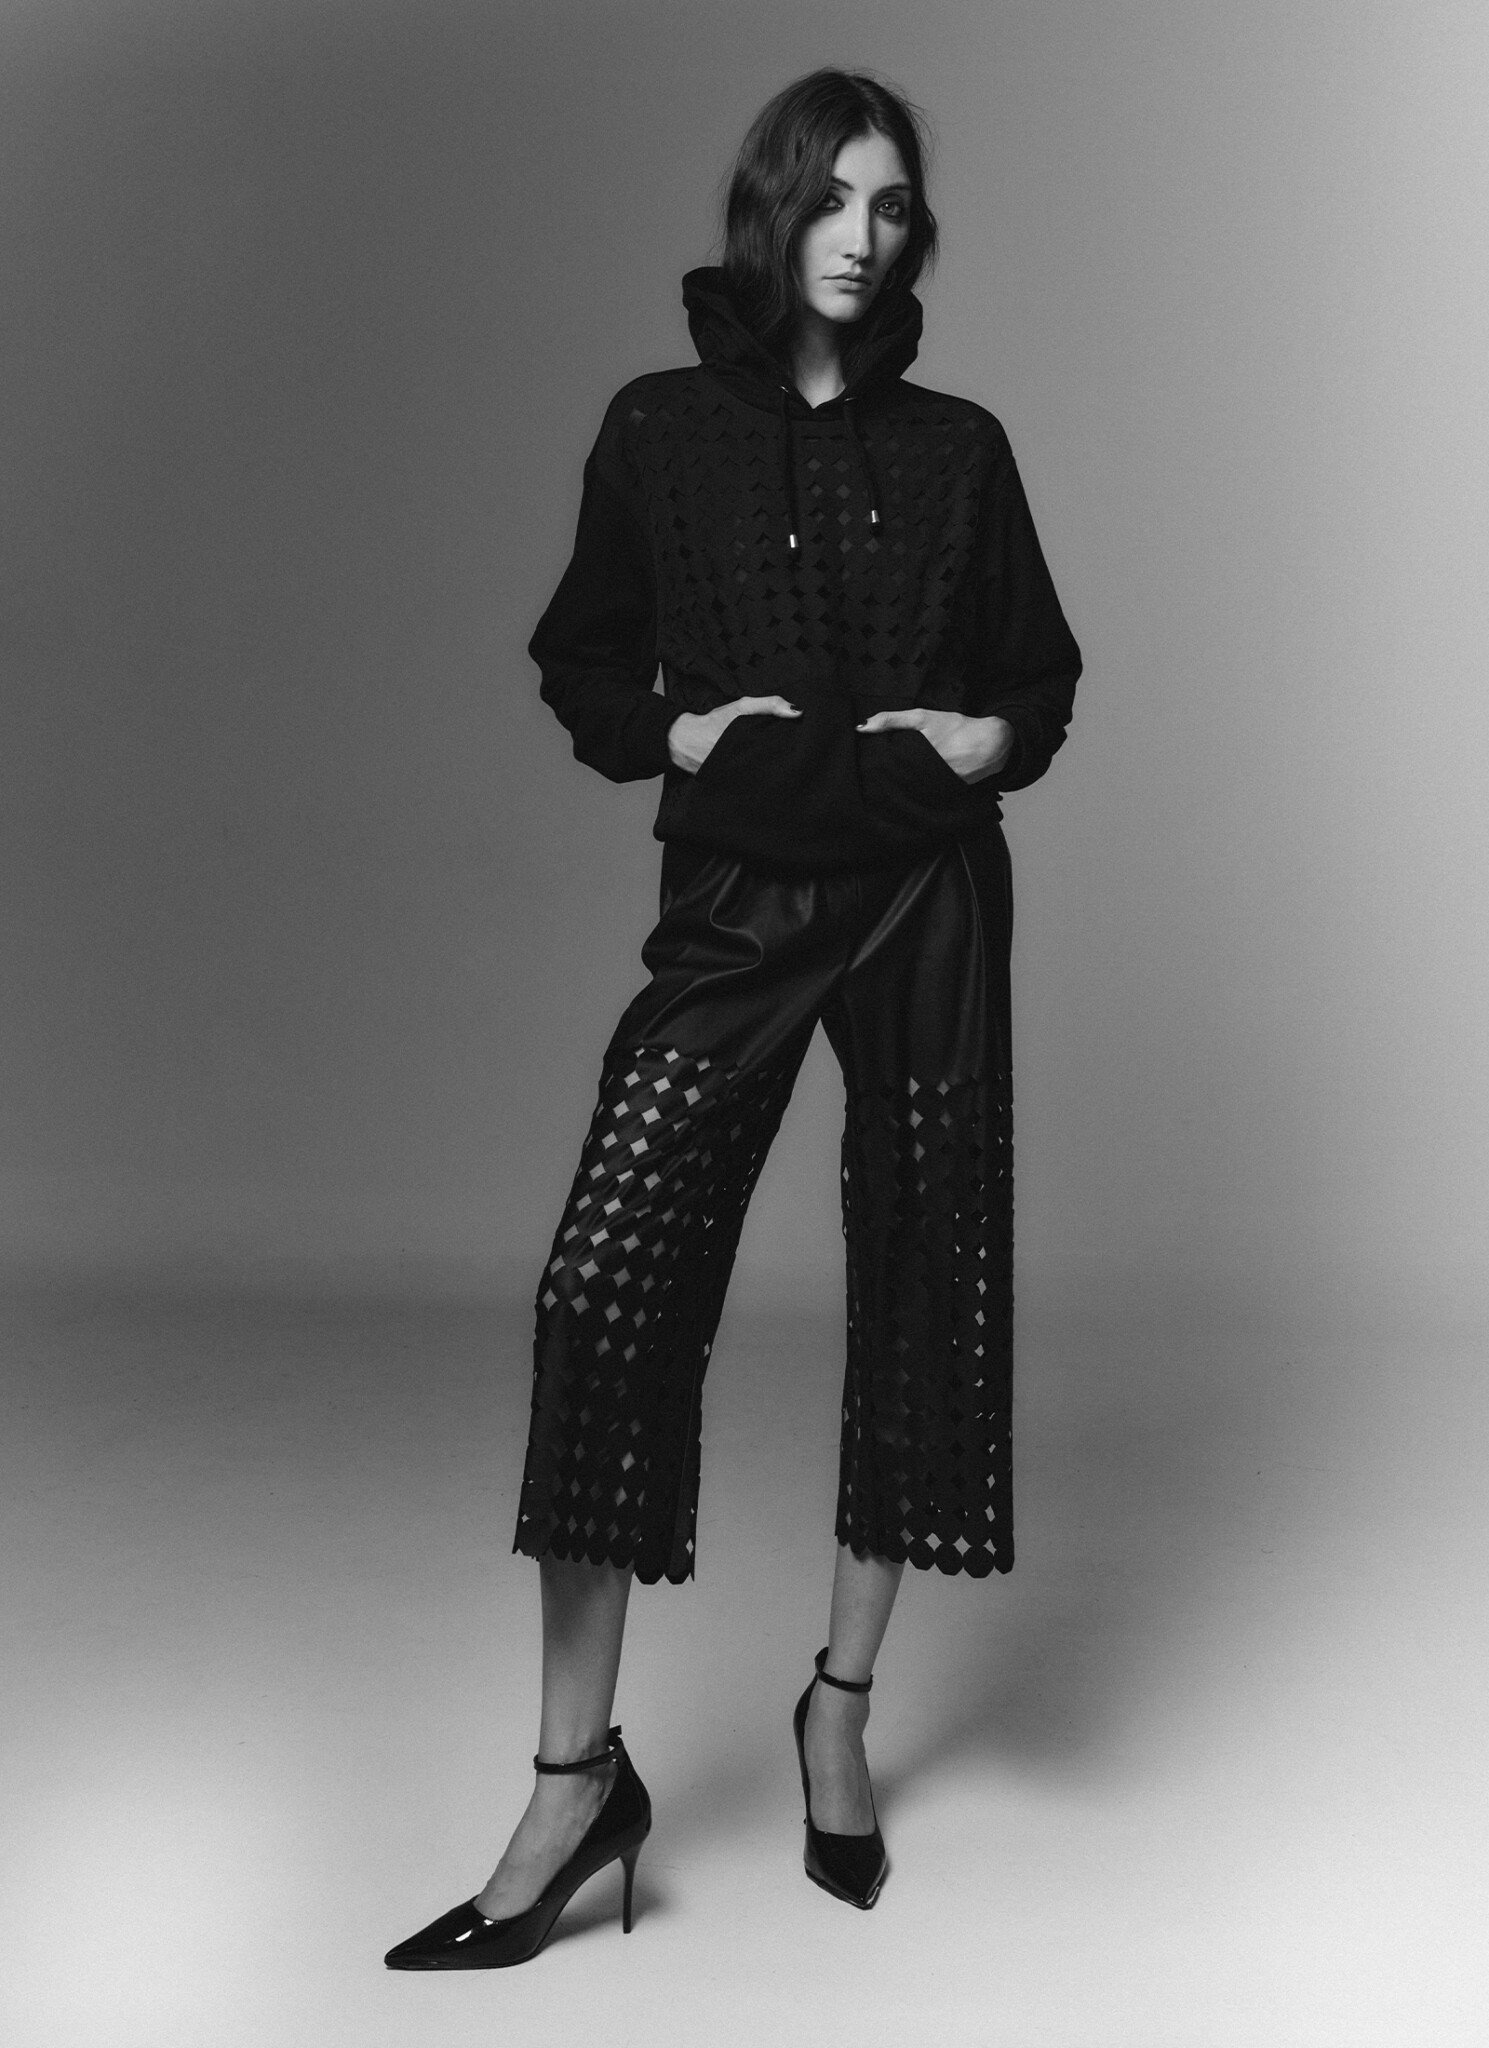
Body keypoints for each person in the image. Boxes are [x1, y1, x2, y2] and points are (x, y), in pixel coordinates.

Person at [385, 66, 1080, 1971]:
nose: (863, 236)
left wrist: (992, 739)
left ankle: (836, 1712)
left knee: (925, 1294)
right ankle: (572, 1781)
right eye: (833, 199)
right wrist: (679, 733)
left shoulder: (960, 448)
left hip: (926, 898)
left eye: (893, 206)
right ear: (770, 211)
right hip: (743, 906)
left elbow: (1037, 679)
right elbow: (584, 665)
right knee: (601, 1291)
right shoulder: (659, 429)